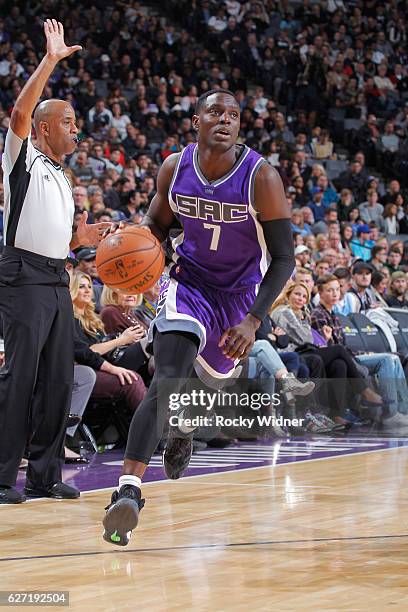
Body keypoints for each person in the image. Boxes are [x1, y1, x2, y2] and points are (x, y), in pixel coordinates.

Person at [102, 88, 295, 546]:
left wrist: (253, 320)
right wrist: (131, 245)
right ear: (196, 121)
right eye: (215, 112)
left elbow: (284, 258)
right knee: (168, 373)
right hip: (188, 284)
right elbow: (156, 226)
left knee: (205, 382)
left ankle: (184, 426)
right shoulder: (175, 167)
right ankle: (127, 491)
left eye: (233, 114)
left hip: (238, 297)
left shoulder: (260, 177)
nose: (225, 120)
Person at [0, 20, 110, 504]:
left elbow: (52, 233)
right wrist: (51, 60)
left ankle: (44, 475)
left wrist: (77, 239)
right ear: (44, 129)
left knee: (57, 380)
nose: (76, 128)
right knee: (19, 377)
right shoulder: (21, 157)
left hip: (55, 275)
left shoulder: (63, 177)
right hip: (20, 274)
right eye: (67, 122)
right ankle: (3, 478)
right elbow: (20, 111)